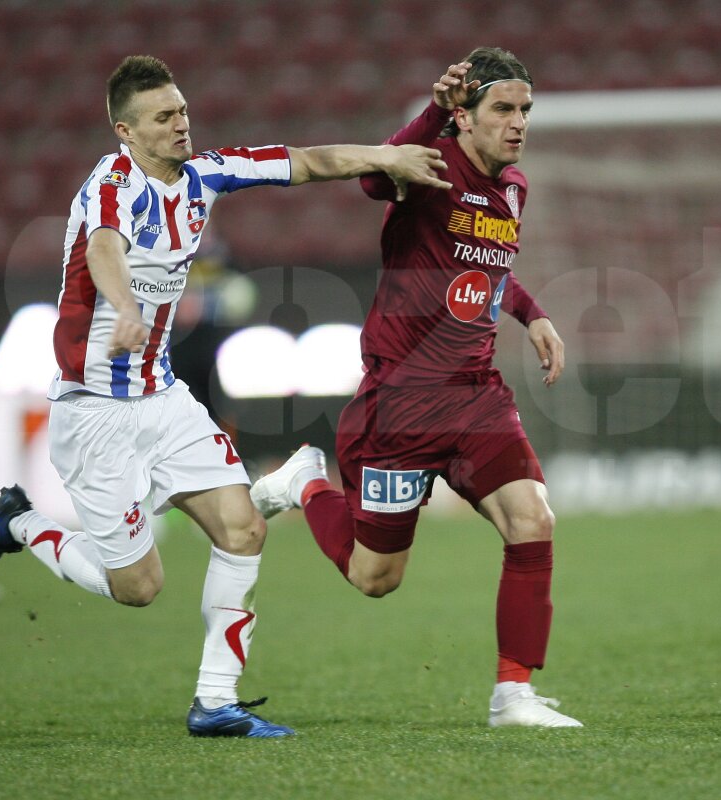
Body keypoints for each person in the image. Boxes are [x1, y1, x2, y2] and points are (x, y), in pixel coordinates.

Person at [0, 55, 453, 738]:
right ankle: (18, 523)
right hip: (94, 411)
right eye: (163, 117)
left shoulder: (204, 175)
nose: (180, 124)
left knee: (244, 528)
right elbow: (106, 247)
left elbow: (306, 162)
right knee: (138, 587)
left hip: (163, 398)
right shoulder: (111, 184)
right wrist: (124, 304)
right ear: (125, 131)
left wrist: (385, 155)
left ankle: (215, 702)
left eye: (183, 111)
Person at [251, 48, 581, 728]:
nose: (518, 123)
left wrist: (533, 313)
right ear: (463, 115)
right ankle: (306, 483)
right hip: (400, 403)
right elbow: (375, 176)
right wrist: (428, 115)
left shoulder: (514, 186)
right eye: (503, 109)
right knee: (377, 579)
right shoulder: (427, 163)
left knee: (533, 520)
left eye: (524, 110)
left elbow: (491, 268)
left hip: (476, 395)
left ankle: (513, 696)